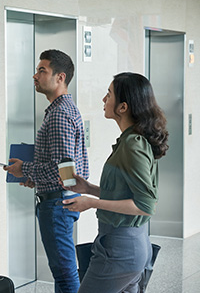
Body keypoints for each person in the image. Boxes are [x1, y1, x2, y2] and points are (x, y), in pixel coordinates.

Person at [61, 72, 169, 292]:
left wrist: (91, 202)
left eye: (108, 95)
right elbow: (126, 194)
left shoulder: (133, 144)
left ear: (123, 107)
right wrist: (88, 188)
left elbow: (145, 205)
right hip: (126, 246)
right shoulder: (130, 140)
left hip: (121, 251)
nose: (104, 100)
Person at [5, 49, 89, 293]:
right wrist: (34, 177)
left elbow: (64, 172)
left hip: (57, 206)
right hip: (59, 199)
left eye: (42, 71)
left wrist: (25, 168)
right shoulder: (62, 109)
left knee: (64, 274)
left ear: (60, 77)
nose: (35, 76)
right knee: (64, 271)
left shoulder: (60, 114)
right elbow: (62, 168)